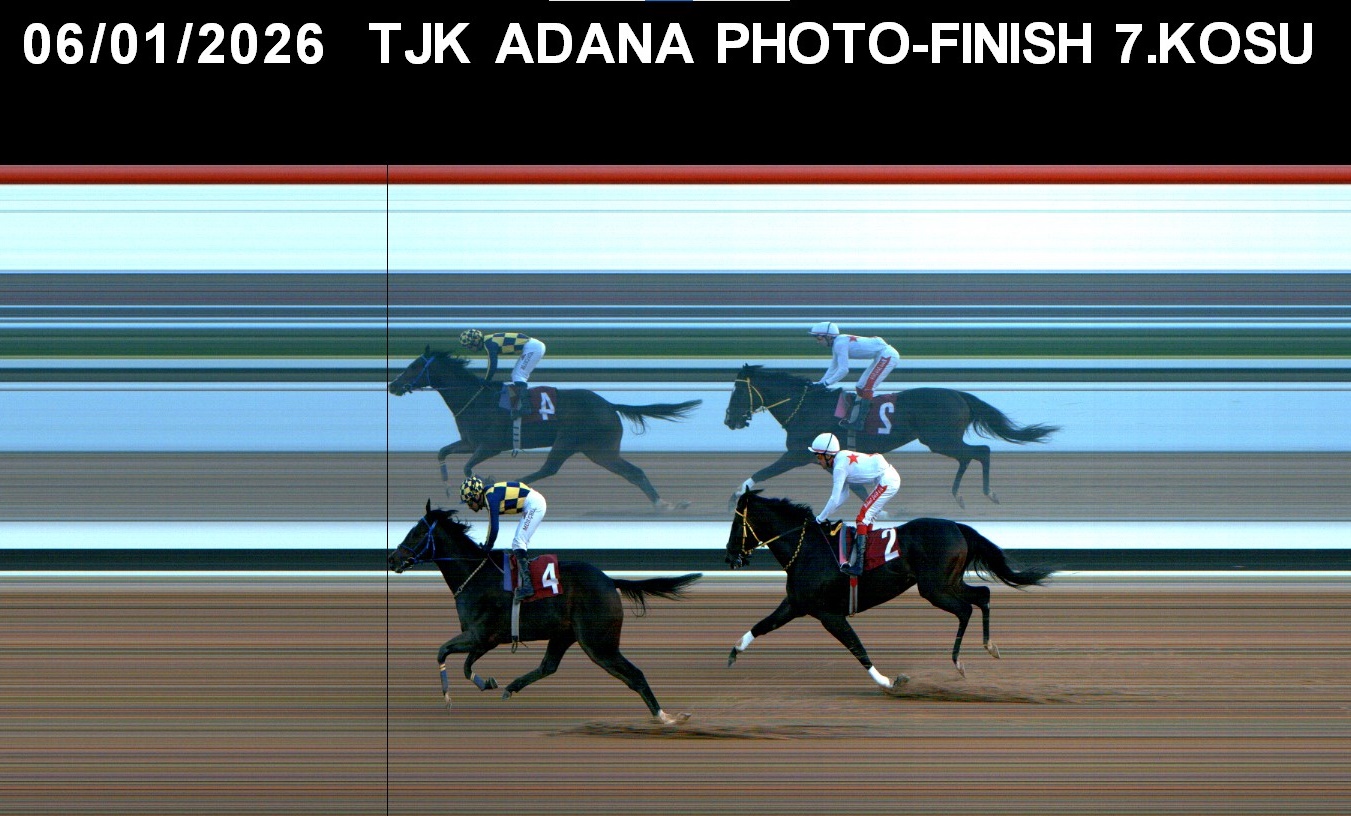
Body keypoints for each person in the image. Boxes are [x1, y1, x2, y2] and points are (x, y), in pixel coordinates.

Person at [807, 432, 901, 577]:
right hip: (885, 478)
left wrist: (819, 519)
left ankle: (859, 566)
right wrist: (824, 516)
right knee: (867, 518)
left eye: (819, 457)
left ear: (828, 455)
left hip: (888, 480)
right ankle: (867, 557)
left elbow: (834, 498)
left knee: (862, 518)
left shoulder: (839, 467)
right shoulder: (840, 460)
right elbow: (844, 496)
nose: (818, 461)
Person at [460, 476, 547, 600]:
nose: (469, 506)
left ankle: (528, 586)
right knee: (519, 542)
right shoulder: (489, 494)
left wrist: (487, 548)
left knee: (518, 542)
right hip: (532, 502)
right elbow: (492, 527)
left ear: (477, 496)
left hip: (534, 504)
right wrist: (487, 546)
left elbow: (494, 528)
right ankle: (526, 580)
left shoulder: (491, 498)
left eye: (469, 502)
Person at [808, 322, 899, 430]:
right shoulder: (838, 343)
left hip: (888, 355)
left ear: (828, 336)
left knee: (867, 387)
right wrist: (820, 383)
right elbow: (833, 368)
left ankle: (860, 423)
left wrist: (825, 384)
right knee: (860, 387)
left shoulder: (839, 344)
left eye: (819, 338)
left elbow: (844, 370)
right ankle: (857, 418)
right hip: (881, 354)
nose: (818, 341)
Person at [459, 329, 547, 418]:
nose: (469, 349)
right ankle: (523, 406)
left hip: (533, 347)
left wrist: (486, 380)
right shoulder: (488, 340)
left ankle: (526, 407)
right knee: (516, 375)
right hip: (532, 346)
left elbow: (492, 364)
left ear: (475, 342)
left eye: (469, 346)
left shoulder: (489, 344)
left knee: (518, 376)